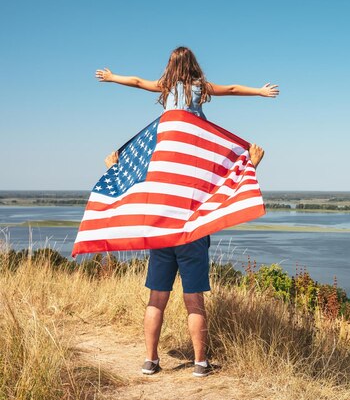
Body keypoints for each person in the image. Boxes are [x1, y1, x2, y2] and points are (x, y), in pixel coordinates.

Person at [95, 46, 278, 377]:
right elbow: (233, 90)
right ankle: (199, 364)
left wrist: (111, 78)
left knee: (156, 300)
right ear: (194, 66)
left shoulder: (165, 103)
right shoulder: (200, 94)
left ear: (170, 66)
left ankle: (150, 361)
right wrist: (260, 93)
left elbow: (136, 81)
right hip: (192, 231)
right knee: (195, 302)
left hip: (163, 227)